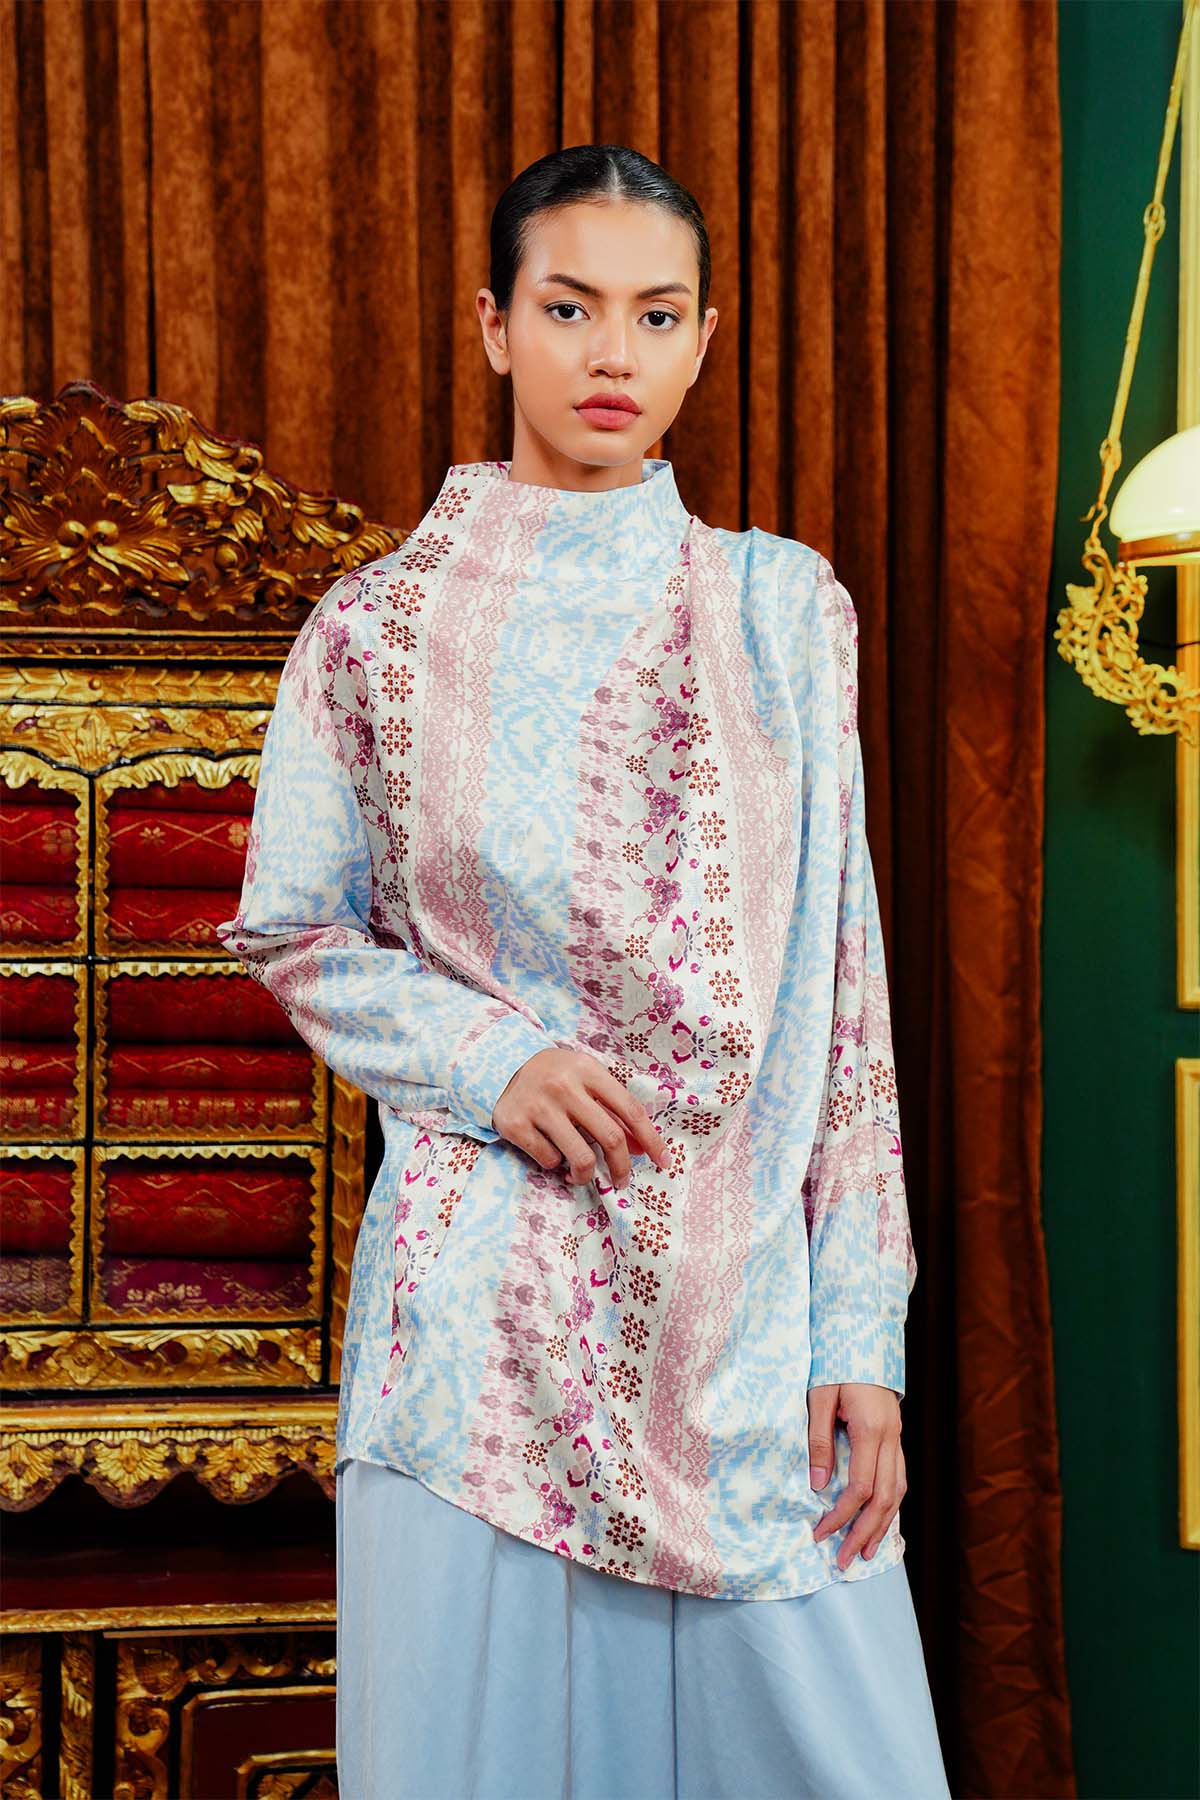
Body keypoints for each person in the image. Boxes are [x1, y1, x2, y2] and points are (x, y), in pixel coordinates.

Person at [217, 142, 951, 1800]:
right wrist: (494, 1062)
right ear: (494, 326)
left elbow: (843, 989)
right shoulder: (372, 631)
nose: (613, 354)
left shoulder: (783, 609)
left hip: (749, 1321)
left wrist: (861, 1328)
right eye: (569, 308)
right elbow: (295, 927)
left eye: (656, 314)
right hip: (478, 1338)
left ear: (702, 340)